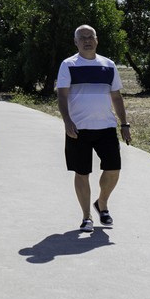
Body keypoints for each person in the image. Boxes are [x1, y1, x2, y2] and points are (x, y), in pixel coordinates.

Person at [56, 24, 131, 233]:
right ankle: (86, 216)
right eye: (82, 37)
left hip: (106, 126)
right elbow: (62, 96)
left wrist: (124, 124)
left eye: (91, 36)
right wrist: (67, 121)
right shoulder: (68, 65)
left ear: (97, 40)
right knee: (82, 172)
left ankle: (102, 203)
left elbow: (116, 96)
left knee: (114, 169)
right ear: (76, 42)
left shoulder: (108, 65)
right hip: (78, 128)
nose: (87, 40)